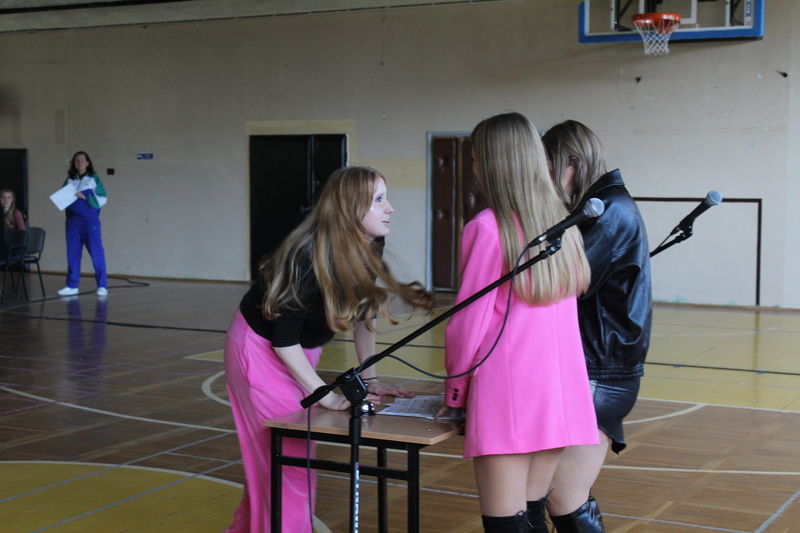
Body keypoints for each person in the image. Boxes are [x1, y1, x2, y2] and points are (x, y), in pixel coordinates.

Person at [224, 165, 435, 533]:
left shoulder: (369, 243)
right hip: (261, 352)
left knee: (275, 469)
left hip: (298, 352)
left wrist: (370, 378)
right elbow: (283, 341)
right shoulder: (307, 255)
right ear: (350, 208)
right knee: (288, 465)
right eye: (379, 200)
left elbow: (363, 315)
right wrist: (324, 394)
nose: (390, 208)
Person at [436, 112, 599, 533]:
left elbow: (467, 325)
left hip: (508, 395)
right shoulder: (563, 228)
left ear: (492, 163)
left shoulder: (488, 228)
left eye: (475, 158)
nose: (473, 168)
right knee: (530, 517)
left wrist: (455, 393)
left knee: (507, 525)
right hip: (558, 396)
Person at [541, 120, 652, 532]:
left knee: (561, 496)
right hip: (598, 367)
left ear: (572, 164)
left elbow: (560, 283)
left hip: (601, 372)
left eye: (549, 169)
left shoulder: (608, 211)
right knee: (559, 495)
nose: (545, 180)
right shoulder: (604, 204)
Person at [57, 151, 108, 297]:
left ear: (87, 163)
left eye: (82, 160)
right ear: (73, 163)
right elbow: (62, 199)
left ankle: (102, 285)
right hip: (73, 221)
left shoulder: (93, 179)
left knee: (96, 252)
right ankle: (72, 285)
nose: (79, 162)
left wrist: (86, 197)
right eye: (77, 160)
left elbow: (103, 198)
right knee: (72, 253)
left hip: (89, 220)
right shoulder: (69, 180)